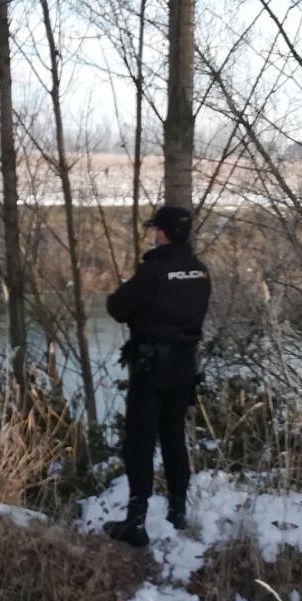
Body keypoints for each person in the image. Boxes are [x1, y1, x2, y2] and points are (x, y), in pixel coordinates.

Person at [104, 206, 210, 547]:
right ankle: (177, 512)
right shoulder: (200, 271)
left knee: (140, 440)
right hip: (184, 368)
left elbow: (117, 308)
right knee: (174, 437)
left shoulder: (154, 272)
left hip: (151, 369)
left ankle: (136, 520)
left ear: (162, 232)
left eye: (156, 229)